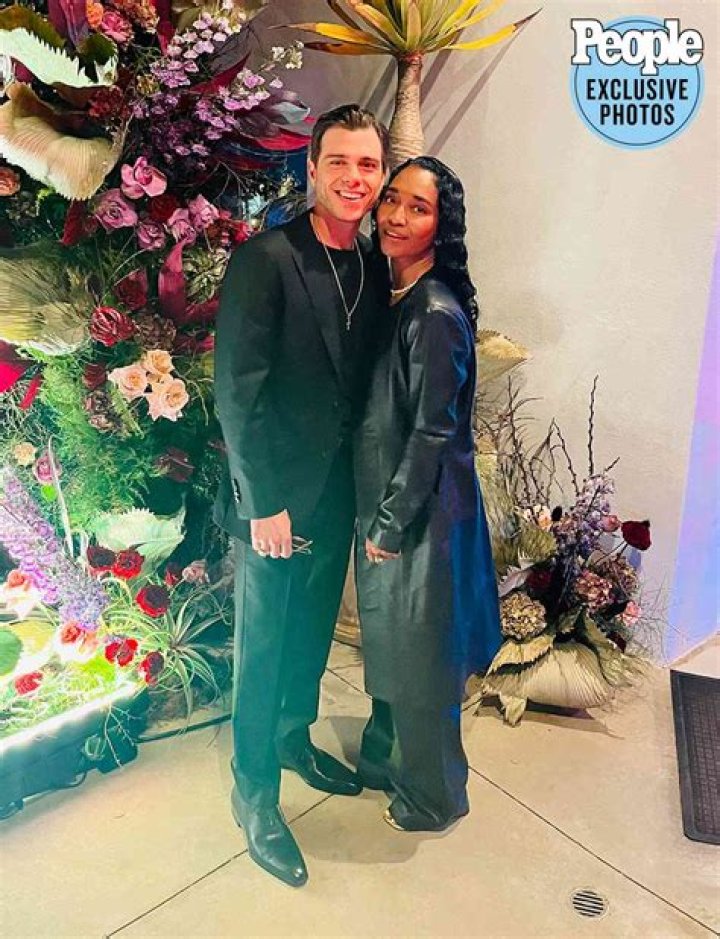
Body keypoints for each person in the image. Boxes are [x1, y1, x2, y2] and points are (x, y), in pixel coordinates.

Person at [214, 104, 388, 886]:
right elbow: (237, 391)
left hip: (338, 491)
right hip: (275, 500)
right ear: (312, 169)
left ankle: (293, 736)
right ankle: (254, 789)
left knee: (313, 632)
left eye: (368, 165)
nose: (354, 177)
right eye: (339, 162)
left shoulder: (373, 264)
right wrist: (262, 502)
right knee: (263, 647)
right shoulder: (267, 259)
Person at [354, 156, 502, 833]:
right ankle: (387, 760)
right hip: (399, 501)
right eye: (391, 200)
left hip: (424, 515)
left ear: (442, 227)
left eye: (417, 207)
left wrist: (390, 521)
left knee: (423, 661)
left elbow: (433, 430)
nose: (395, 216)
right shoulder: (397, 294)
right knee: (397, 645)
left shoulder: (434, 312)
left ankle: (435, 796)